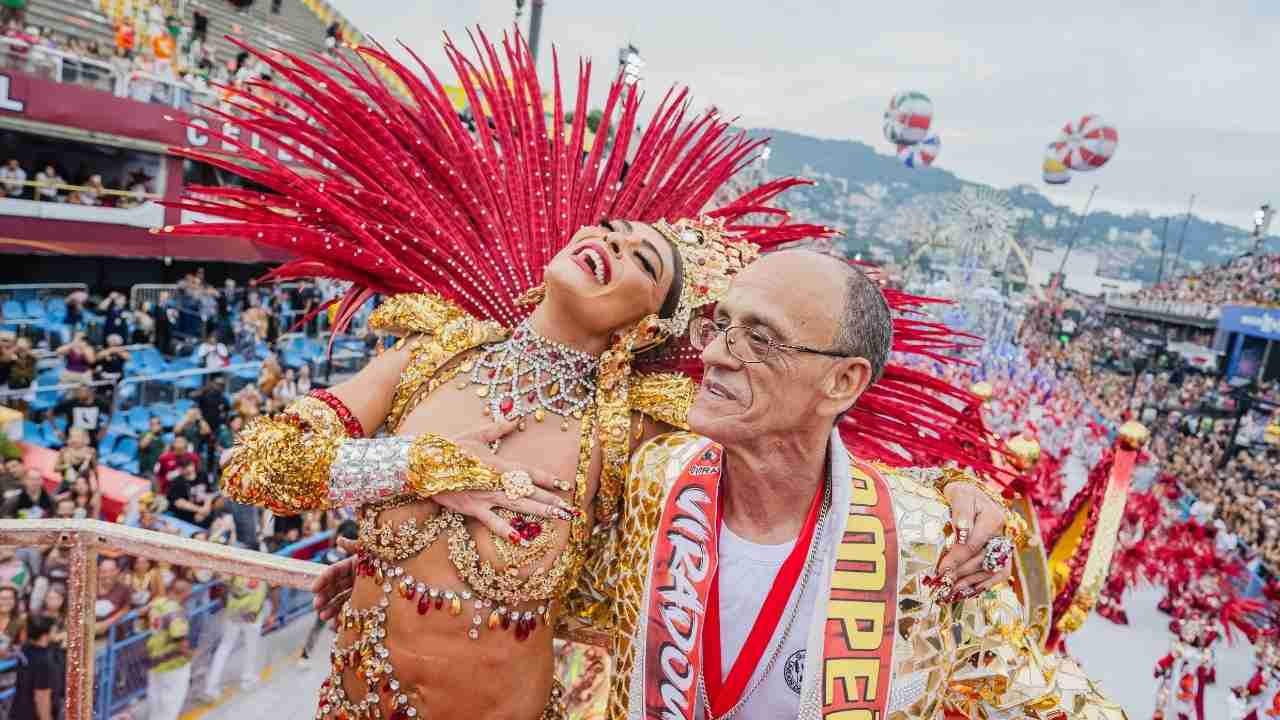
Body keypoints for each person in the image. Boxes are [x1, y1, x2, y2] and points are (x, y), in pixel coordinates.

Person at [186, 34, 1009, 720]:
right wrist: (418, 469)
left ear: (648, 323)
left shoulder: (630, 431)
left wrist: (956, 495)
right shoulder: (433, 353)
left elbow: (793, 455)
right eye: (608, 229)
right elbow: (255, 469)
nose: (610, 243)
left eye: (642, 260)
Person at [199, 567, 268, 700]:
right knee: (251, 647)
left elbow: (222, 585)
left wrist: (229, 607)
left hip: (234, 612)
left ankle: (210, 687)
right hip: (252, 614)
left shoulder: (235, 568)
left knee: (225, 647)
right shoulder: (261, 567)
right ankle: (247, 680)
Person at [145, 576, 193, 720]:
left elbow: (143, 612)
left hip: (154, 657)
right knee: (171, 701)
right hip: (173, 663)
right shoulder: (176, 613)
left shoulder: (156, 603)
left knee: (155, 696)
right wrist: (190, 654)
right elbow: (180, 640)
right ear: (185, 593)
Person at [10, 615, 58, 720]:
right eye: (54, 630)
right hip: (33, 714)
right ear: (45, 635)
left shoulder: (24, 649)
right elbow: (42, 697)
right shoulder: (43, 661)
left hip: (18, 711)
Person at [166, 459, 212, 527]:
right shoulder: (176, 482)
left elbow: (209, 493)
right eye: (184, 467)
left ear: (193, 465)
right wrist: (200, 510)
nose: (188, 469)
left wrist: (206, 508)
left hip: (204, 509)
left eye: (189, 465)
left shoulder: (202, 475)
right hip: (186, 514)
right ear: (180, 469)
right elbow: (179, 503)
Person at [94, 557, 132, 636]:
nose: (108, 574)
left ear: (117, 571)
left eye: (111, 571)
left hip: (110, 631)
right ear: (98, 572)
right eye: (104, 571)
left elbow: (126, 609)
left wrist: (106, 623)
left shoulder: (124, 589)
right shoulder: (89, 587)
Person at [138, 416, 166, 481]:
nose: (155, 426)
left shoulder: (161, 437)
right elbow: (142, 445)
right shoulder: (145, 434)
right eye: (152, 424)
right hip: (146, 470)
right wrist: (152, 433)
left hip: (157, 469)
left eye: (158, 423)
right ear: (149, 426)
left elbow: (164, 452)